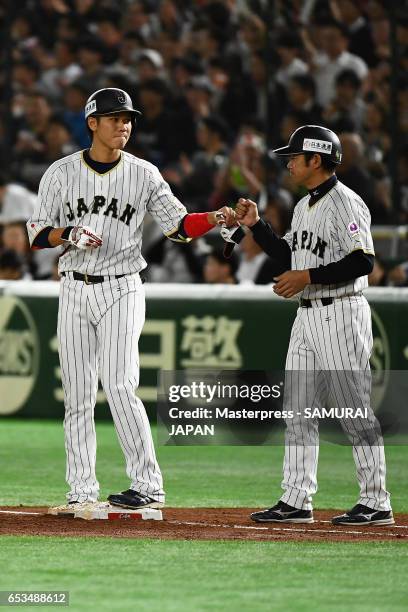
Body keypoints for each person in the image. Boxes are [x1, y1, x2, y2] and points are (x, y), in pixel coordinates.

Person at [27, 87, 235, 515]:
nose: (125, 124)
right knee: (79, 393)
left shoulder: (144, 173)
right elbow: (35, 233)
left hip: (123, 284)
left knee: (120, 384)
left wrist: (213, 218)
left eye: (128, 118)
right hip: (74, 286)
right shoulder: (61, 173)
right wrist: (66, 234)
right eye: (115, 118)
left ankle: (148, 484)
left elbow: (178, 226)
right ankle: (81, 489)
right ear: (92, 124)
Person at [232, 125, 393, 527]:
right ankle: (296, 498)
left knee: (353, 407)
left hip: (340, 310)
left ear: (315, 160)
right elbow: (290, 255)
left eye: (294, 157)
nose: (288, 163)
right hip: (306, 315)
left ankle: (376, 500)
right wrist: (257, 226)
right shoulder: (303, 206)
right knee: (298, 409)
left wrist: (307, 277)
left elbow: (363, 261)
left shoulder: (346, 203)